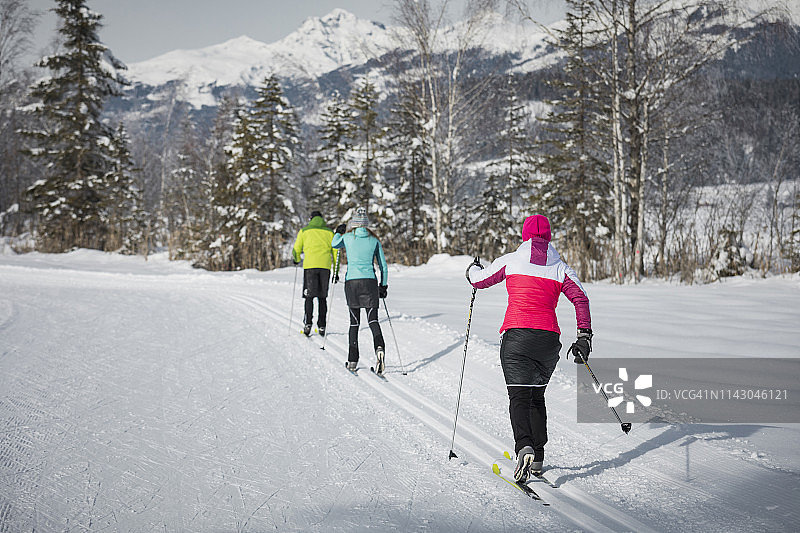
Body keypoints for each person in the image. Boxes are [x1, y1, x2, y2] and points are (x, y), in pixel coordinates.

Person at [466, 214, 592, 483]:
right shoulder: (561, 268)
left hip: (517, 338)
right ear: (549, 236)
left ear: (525, 236)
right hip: (548, 341)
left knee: (519, 397)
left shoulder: (511, 260)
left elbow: (479, 280)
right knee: (537, 396)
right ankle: (538, 456)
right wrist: (585, 336)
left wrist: (472, 269)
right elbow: (581, 299)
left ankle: (524, 446)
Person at [331, 207, 389, 374]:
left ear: (354, 224)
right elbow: (384, 266)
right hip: (370, 282)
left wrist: (338, 231)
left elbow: (334, 244)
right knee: (373, 321)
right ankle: (379, 349)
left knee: (354, 323)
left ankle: (352, 360)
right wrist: (383, 286)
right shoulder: (374, 240)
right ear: (366, 224)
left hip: (352, 283)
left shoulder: (348, 237)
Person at [292, 210, 338, 337]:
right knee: (322, 297)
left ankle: (308, 323)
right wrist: (336, 270)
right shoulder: (330, 232)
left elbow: (296, 249)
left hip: (310, 267)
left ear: (311, 219)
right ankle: (322, 325)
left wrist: (296, 260)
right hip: (325, 267)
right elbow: (336, 253)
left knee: (309, 296)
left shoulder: (304, 231)